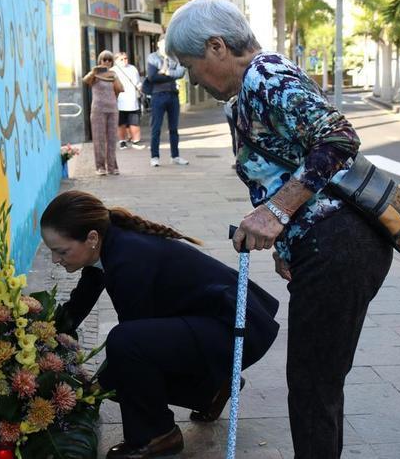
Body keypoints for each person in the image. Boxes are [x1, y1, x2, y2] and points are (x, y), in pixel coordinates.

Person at [165, 0, 393, 458]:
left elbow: (339, 138)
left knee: (313, 384)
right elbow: (282, 165)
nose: (192, 79)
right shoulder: (253, 86)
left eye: (190, 65)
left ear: (216, 47)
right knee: (317, 380)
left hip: (340, 242)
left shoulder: (266, 77)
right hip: (324, 244)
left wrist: (276, 214)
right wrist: (287, 244)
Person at [40, 190, 280, 459]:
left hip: (235, 330)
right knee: (125, 365)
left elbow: (132, 345)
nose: (56, 260)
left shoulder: (127, 258)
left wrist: (89, 391)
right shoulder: (109, 245)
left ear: (91, 238)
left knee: (124, 351)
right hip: (215, 322)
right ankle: (212, 389)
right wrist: (40, 339)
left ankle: (157, 435)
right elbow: (76, 308)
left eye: (61, 251)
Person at [146, 37, 188, 167]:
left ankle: (175, 156)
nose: (166, 46)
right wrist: (170, 75)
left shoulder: (175, 57)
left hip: (173, 95)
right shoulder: (152, 58)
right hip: (158, 95)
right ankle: (154, 156)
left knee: (174, 128)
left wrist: (166, 72)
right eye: (164, 43)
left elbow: (181, 73)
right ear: (158, 44)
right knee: (156, 128)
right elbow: (152, 77)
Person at [83, 51, 123, 175]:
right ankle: (100, 166)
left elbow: (120, 88)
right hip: (98, 109)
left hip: (112, 109)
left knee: (112, 139)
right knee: (99, 138)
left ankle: (112, 166)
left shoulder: (113, 74)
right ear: (100, 60)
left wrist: (114, 77)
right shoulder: (95, 74)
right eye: (104, 59)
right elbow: (85, 80)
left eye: (109, 60)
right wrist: (93, 72)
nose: (107, 62)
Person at [112, 52, 146, 150]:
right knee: (121, 123)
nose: (124, 61)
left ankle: (136, 141)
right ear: (116, 61)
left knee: (134, 123)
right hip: (119, 101)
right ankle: (122, 141)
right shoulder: (113, 71)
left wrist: (140, 88)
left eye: (126, 58)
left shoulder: (133, 68)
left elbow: (138, 82)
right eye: (121, 59)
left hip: (132, 100)